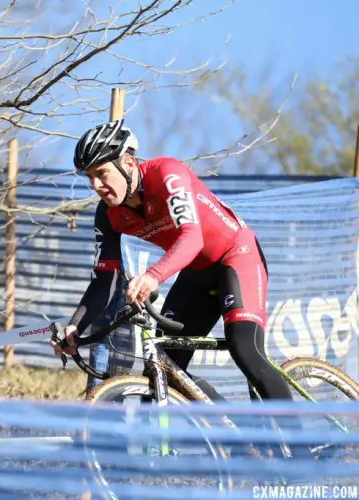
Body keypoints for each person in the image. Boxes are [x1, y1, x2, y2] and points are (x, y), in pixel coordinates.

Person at [51, 119, 295, 407]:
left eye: (102, 173)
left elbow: (193, 238)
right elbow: (105, 279)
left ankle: (298, 444)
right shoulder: (109, 215)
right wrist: (77, 325)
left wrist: (154, 276)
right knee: (164, 369)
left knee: (245, 349)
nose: (96, 185)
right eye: (89, 177)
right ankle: (239, 431)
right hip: (197, 274)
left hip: (236, 254)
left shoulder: (167, 173)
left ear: (128, 162)